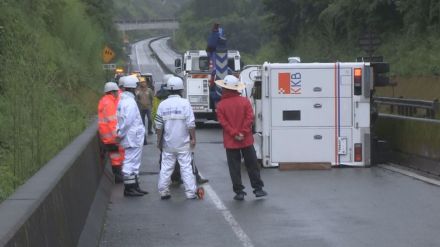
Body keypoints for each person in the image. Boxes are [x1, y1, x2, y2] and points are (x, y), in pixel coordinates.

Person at [215, 75, 267, 201]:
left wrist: (234, 133)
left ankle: (239, 192)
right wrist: (243, 133)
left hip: (231, 141)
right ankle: (258, 189)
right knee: (252, 164)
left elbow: (223, 122)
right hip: (246, 139)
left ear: (225, 88)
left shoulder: (220, 105)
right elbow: (250, 118)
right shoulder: (245, 101)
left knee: (234, 167)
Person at [155, 76, 198, 200]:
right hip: (183, 144)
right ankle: (190, 193)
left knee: (166, 167)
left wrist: (159, 141)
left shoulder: (163, 105)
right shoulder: (185, 103)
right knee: (186, 167)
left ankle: (163, 191)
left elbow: (158, 126)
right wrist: (193, 138)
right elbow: (191, 124)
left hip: (168, 144)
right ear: (181, 90)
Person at [117, 75, 148, 197]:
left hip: (132, 137)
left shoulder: (123, 101)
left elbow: (119, 119)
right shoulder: (129, 102)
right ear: (133, 88)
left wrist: (119, 133)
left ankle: (135, 186)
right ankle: (129, 189)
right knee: (130, 162)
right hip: (132, 137)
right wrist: (121, 134)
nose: (138, 89)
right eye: (137, 87)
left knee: (134, 162)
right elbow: (128, 121)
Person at [98, 82, 124, 183]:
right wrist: (117, 135)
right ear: (113, 92)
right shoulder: (109, 103)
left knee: (115, 157)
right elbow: (112, 121)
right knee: (117, 157)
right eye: (117, 91)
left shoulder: (104, 101)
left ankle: (118, 176)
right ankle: (118, 177)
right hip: (112, 137)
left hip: (107, 136)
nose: (118, 93)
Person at [136, 76, 154, 142]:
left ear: (146, 83)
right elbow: (136, 99)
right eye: (141, 82)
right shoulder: (137, 90)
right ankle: (143, 132)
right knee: (142, 121)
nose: (143, 83)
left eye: (144, 82)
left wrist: (152, 106)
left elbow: (152, 98)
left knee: (150, 119)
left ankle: (149, 130)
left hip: (148, 107)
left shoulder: (149, 90)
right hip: (141, 108)